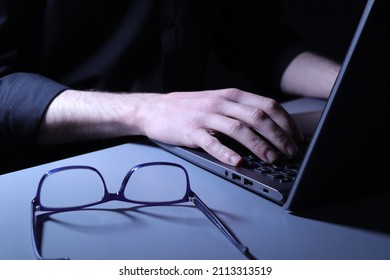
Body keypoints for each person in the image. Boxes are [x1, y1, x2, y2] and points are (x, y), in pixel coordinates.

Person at [0, 0, 340, 171]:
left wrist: (347, 82)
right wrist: (147, 109)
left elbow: (252, 38)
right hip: (56, 174)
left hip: (194, 159)